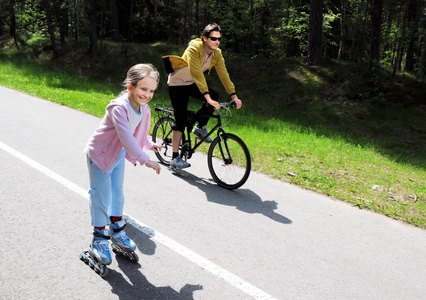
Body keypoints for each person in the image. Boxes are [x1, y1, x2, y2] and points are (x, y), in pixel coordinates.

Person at [83, 63, 161, 266]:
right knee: (101, 195)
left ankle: (117, 231)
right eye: (143, 89)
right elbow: (126, 136)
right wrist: (146, 160)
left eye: (151, 90)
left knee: (117, 194)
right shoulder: (119, 108)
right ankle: (99, 239)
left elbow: (137, 132)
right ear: (130, 87)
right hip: (100, 155)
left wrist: (149, 144)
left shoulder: (143, 108)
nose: (147, 94)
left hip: (117, 155)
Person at [162, 23, 242, 169]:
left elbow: (223, 73)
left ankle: (199, 126)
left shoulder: (217, 53)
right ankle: (174, 158)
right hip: (177, 84)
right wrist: (207, 97)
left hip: (191, 83)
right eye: (213, 38)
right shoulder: (194, 48)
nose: (217, 41)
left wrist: (233, 95)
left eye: (219, 39)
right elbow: (196, 73)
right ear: (205, 38)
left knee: (215, 95)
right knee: (180, 121)